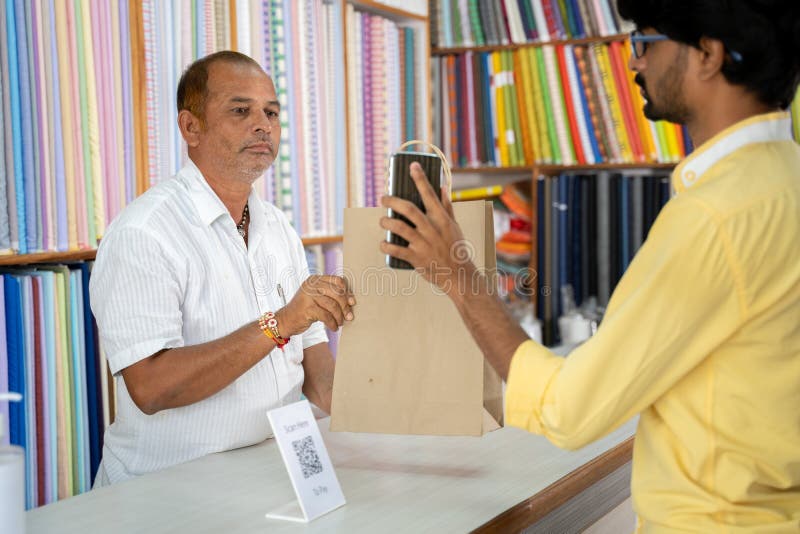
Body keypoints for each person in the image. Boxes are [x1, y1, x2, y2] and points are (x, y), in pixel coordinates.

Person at [380, 1, 800, 531]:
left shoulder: (714, 217)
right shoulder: (786, 182)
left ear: (709, 56)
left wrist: (457, 274)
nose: (635, 65)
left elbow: (569, 410)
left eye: (645, 43)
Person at [89, 51, 354, 486]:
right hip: (173, 490)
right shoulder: (144, 232)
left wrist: (390, 423)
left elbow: (316, 370)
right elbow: (152, 389)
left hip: (280, 472)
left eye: (271, 112)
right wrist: (280, 322)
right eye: (240, 110)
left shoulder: (277, 227)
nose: (263, 125)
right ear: (190, 127)